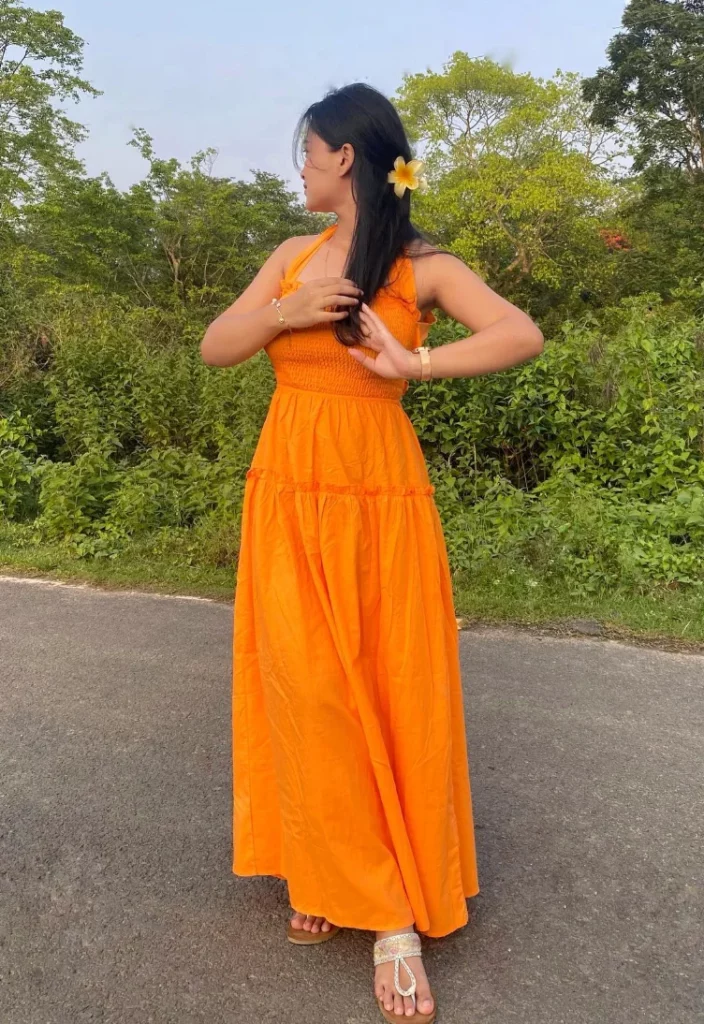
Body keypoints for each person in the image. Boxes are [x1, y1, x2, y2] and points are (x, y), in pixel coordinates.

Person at [200, 82, 543, 1024]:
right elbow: (218, 345)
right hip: (287, 491)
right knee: (304, 686)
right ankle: (323, 866)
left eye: (307, 155)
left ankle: (391, 919)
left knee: (384, 687)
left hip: (378, 498)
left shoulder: (420, 265)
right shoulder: (290, 256)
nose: (300, 172)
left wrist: (414, 363)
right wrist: (289, 311)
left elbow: (520, 333)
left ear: (344, 157)